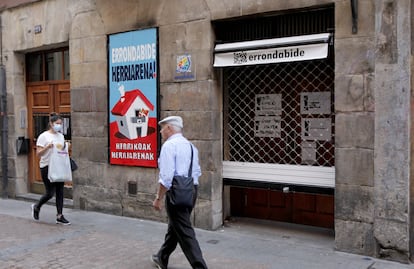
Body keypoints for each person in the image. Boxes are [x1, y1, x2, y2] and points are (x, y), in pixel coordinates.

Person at [151, 116, 208, 269]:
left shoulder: (169, 146)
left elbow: (166, 178)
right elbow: (197, 172)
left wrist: (158, 198)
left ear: (169, 128)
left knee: (184, 230)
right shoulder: (191, 147)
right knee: (176, 226)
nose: (161, 131)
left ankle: (199, 266)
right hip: (191, 190)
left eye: (162, 128)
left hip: (177, 192)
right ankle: (161, 257)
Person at [31, 112, 71, 225]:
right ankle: (37, 206)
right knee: (50, 193)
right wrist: (47, 147)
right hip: (47, 166)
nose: (59, 126)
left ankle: (60, 215)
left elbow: (62, 150)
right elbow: (38, 154)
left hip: (59, 165)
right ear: (51, 123)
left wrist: (66, 147)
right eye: (57, 123)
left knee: (60, 191)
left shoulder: (61, 136)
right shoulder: (44, 136)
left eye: (60, 124)